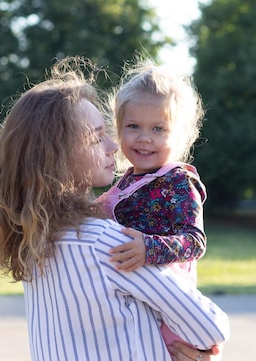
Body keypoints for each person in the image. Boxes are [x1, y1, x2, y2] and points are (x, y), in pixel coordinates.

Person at [0, 57, 229, 361]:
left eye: (158, 128)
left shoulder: (36, 238)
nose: (114, 147)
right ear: (59, 156)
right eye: (97, 137)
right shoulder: (104, 242)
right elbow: (211, 328)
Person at [96, 59, 208, 349]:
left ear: (179, 135)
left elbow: (195, 242)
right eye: (133, 126)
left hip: (169, 305)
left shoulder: (180, 182)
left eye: (159, 129)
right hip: (131, 301)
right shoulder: (124, 183)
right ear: (118, 130)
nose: (144, 138)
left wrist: (150, 248)